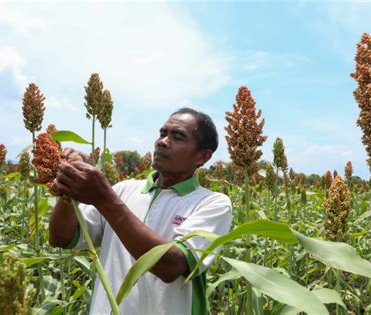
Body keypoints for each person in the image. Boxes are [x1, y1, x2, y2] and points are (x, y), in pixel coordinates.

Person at [49, 108, 233, 315]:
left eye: (178, 136)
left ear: (203, 156)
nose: (162, 141)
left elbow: (171, 266)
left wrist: (105, 199)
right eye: (162, 133)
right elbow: (61, 238)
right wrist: (69, 189)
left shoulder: (212, 203)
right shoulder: (123, 190)